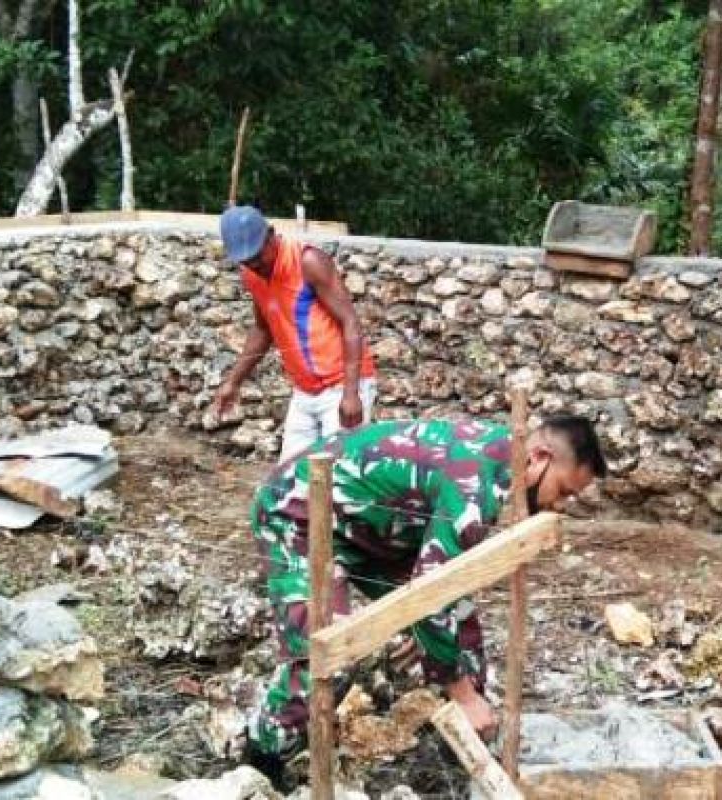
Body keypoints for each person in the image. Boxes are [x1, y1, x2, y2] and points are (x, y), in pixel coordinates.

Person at [244, 415, 607, 786]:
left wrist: (444, 657)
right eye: (563, 491)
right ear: (539, 458)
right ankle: (259, 763)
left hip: (375, 529)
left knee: (460, 629)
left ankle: (463, 756)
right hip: (298, 514)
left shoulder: (500, 457)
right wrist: (460, 692)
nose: (560, 505)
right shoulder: (472, 487)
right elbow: (430, 596)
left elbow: (446, 590)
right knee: (330, 656)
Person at [211, 205, 377, 461]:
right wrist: (233, 382)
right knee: (290, 477)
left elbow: (350, 323)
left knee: (341, 477)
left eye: (257, 257)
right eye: (246, 261)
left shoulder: (308, 262)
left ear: (271, 235)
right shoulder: (252, 274)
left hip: (341, 384)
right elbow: (262, 328)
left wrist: (351, 393)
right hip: (305, 390)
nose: (254, 265)